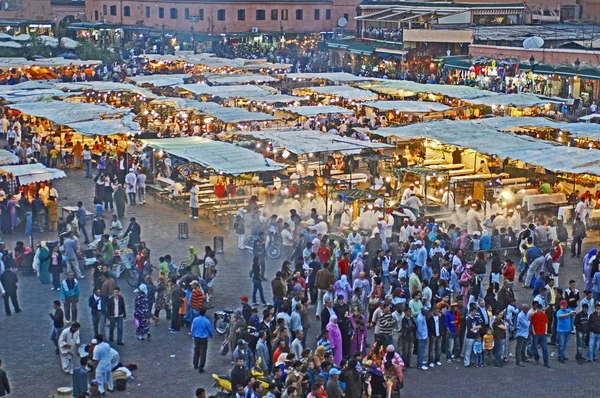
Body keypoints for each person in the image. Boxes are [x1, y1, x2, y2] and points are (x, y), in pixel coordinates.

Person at [192, 308, 214, 373]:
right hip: (203, 338)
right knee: (203, 353)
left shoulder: (195, 320)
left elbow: (192, 329)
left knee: (196, 351)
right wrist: (211, 335)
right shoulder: (206, 321)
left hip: (196, 337)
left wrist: (193, 334)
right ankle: (201, 367)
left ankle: (195, 364)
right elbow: (209, 330)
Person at [531, 303, 550, 367]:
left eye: (540, 309)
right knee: (535, 347)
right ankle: (537, 359)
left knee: (545, 348)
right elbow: (532, 324)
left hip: (543, 334)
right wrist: (534, 332)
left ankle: (546, 362)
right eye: (539, 309)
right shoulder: (534, 315)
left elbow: (546, 323)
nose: (540, 310)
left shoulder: (544, 315)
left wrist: (546, 331)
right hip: (536, 333)